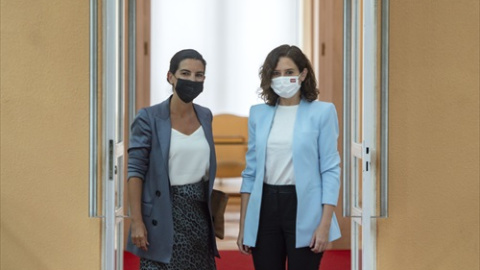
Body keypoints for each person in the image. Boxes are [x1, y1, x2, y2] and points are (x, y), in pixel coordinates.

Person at [237, 44, 341, 270]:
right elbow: (251, 172)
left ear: (303, 74)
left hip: (305, 206)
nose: (282, 78)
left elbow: (331, 170)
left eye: (289, 72)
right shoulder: (258, 114)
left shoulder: (322, 113)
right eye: (276, 73)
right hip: (265, 206)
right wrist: (245, 225)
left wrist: (324, 224)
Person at [126, 49, 218, 270]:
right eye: (185, 73)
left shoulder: (205, 115)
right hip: (162, 212)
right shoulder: (148, 118)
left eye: (199, 75)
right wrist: (137, 221)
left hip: (198, 215)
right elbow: (135, 171)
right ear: (171, 76)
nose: (192, 80)